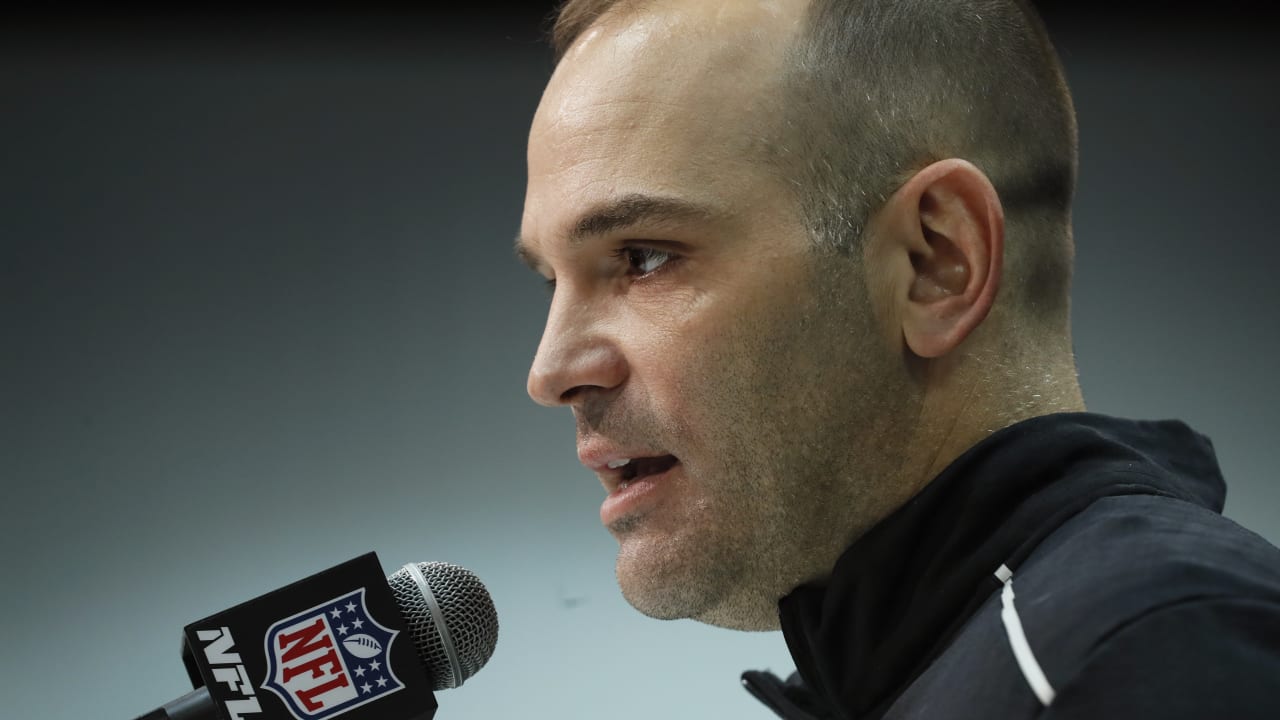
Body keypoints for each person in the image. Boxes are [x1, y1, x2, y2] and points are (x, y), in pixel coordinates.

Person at [514, 0, 1280, 717]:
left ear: (934, 262)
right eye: (552, 280)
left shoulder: (1156, 654)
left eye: (644, 257)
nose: (549, 372)